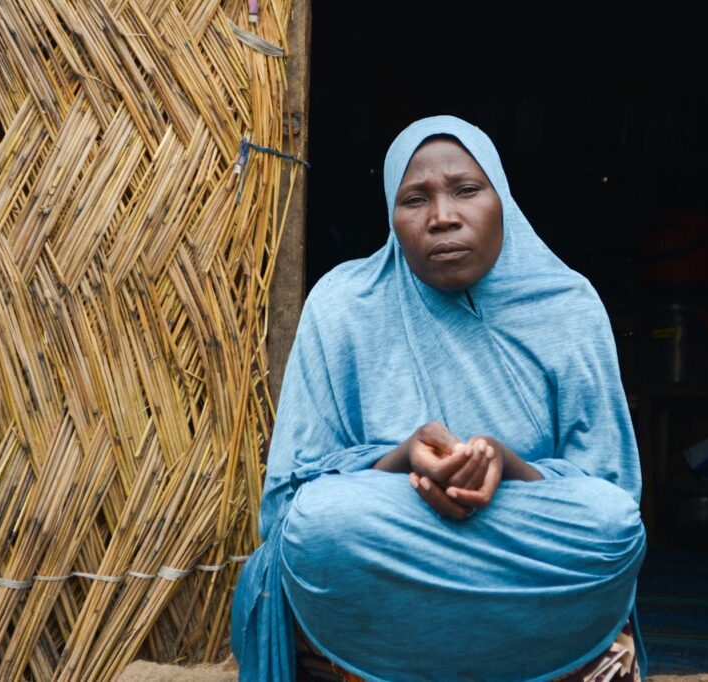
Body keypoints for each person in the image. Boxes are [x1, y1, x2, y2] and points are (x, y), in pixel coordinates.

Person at [231, 116, 647, 682]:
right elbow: (284, 505)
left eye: (466, 190)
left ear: (503, 202)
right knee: (321, 522)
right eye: (415, 199)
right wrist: (402, 460)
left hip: (524, 541)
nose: (442, 217)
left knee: (611, 525)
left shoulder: (567, 306)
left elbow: (612, 488)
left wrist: (509, 467)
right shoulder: (344, 304)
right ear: (392, 218)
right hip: (389, 543)